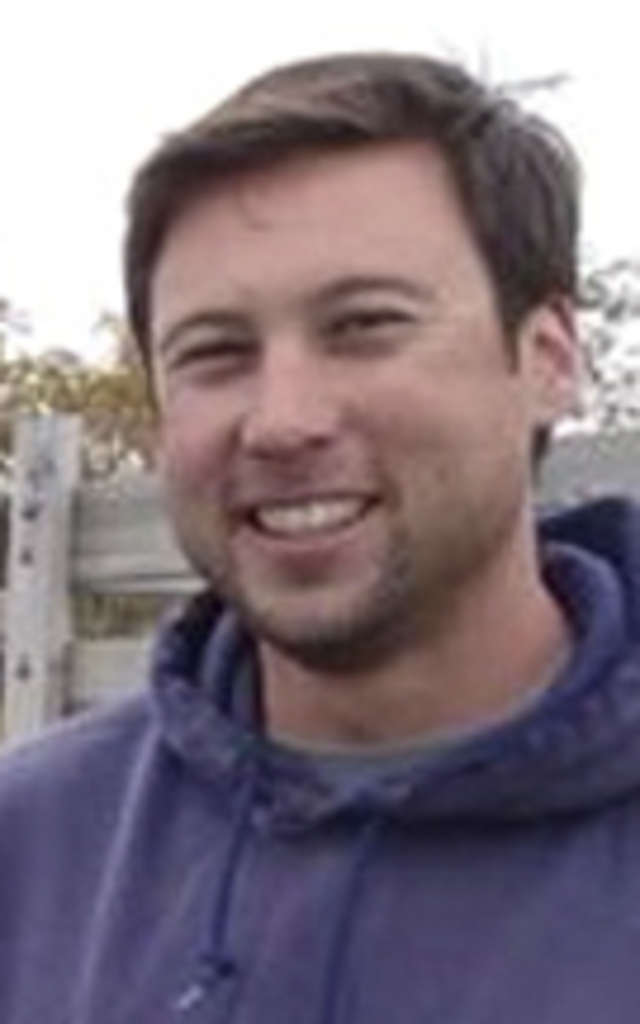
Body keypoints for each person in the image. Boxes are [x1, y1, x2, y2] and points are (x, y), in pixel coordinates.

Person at [0, 51, 638, 1024]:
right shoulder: (35, 855)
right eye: (216, 353)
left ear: (548, 358)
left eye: (365, 326)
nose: (282, 421)